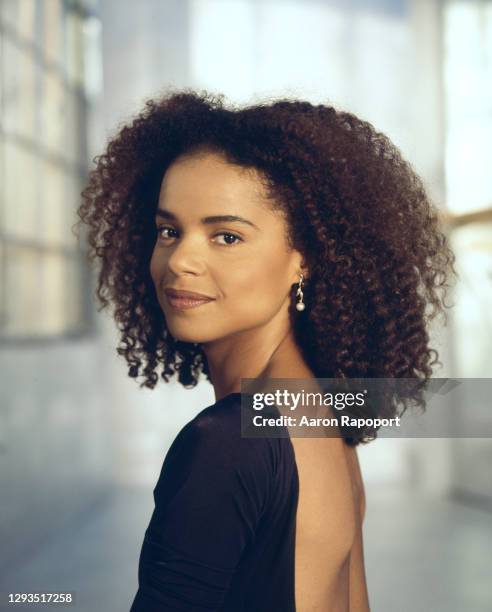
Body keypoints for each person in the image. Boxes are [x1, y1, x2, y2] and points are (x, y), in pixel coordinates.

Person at [75, 90, 456, 611]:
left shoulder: (227, 444)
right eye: (169, 231)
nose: (180, 259)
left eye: (226, 237)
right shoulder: (320, 413)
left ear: (305, 259)